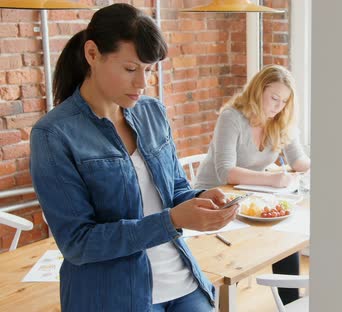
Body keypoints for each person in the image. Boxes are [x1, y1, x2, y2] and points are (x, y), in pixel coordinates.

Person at [29, 4, 237, 312]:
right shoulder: (53, 135)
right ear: (92, 54)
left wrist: (201, 199)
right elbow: (78, 243)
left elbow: (175, 189)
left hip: (182, 282)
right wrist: (173, 220)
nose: (142, 83)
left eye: (149, 70)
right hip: (112, 297)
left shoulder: (152, 112)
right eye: (130, 69)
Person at [194, 64, 310, 304]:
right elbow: (226, 172)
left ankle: (289, 305)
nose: (278, 107)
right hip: (212, 199)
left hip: (246, 197)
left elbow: (298, 161)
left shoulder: (279, 120)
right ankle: (218, 301)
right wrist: (273, 179)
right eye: (274, 98)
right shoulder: (232, 117)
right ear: (258, 91)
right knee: (241, 253)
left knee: (284, 238)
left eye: (284, 101)